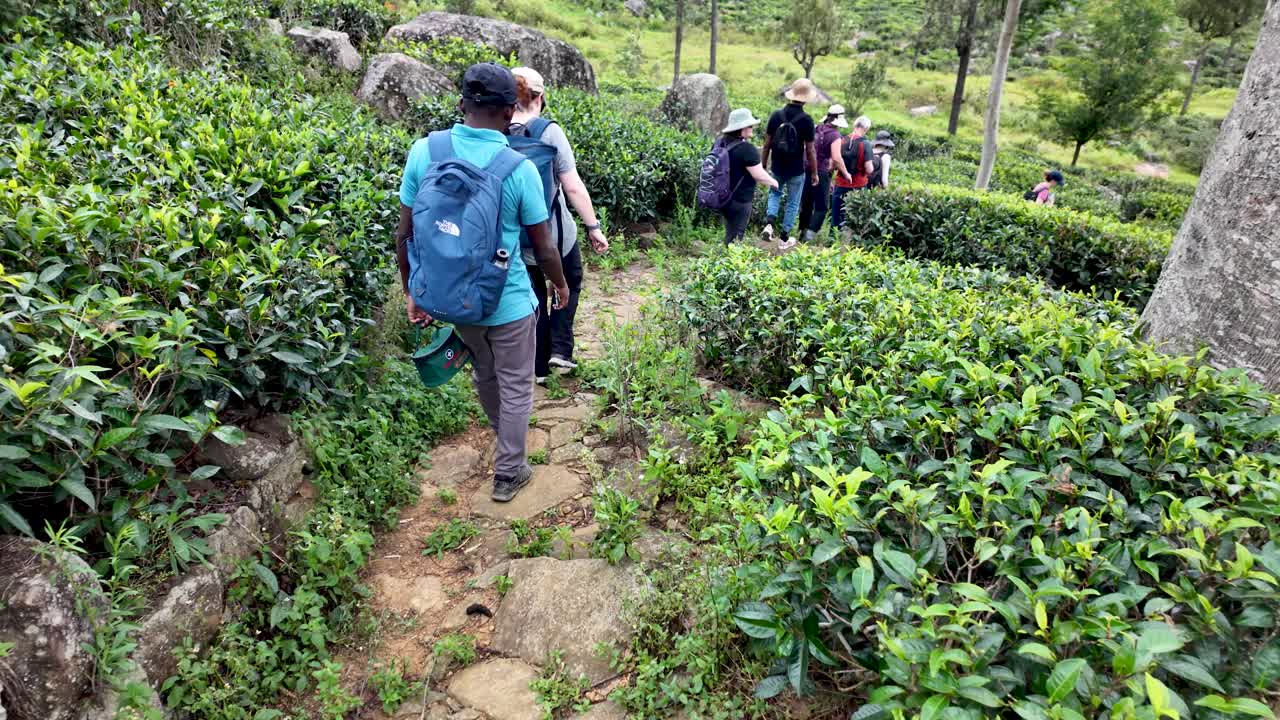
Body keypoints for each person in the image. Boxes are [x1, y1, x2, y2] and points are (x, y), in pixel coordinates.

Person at [396, 63, 570, 504]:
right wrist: (560, 285)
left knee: (485, 372)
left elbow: (405, 234)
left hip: (452, 299)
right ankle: (509, 470)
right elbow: (544, 246)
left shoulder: (424, 151)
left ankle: (503, 435)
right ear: (511, 111)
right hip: (506, 300)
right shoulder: (518, 168)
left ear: (461, 104)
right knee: (516, 382)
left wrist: (412, 292)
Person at [509, 66, 609, 382]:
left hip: (514, 238)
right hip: (554, 234)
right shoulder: (549, 131)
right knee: (571, 281)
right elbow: (573, 186)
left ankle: (537, 367)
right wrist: (593, 227)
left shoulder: (496, 131)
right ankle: (561, 351)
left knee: (534, 298)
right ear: (540, 97)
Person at [761, 78, 819, 250]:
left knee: (775, 194)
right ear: (806, 99)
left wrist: (763, 165)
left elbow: (767, 144)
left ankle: (769, 224)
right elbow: (810, 150)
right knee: (793, 202)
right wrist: (814, 172)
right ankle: (784, 238)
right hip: (796, 169)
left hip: (777, 166)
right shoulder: (807, 120)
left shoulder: (776, 115)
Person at [715, 108, 779, 243]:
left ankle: (724, 252)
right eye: (750, 125)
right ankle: (728, 255)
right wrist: (774, 182)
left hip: (722, 197)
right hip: (740, 200)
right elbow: (758, 175)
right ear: (742, 127)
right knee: (736, 237)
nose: (752, 128)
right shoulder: (747, 149)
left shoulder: (720, 142)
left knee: (730, 231)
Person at [797, 104, 847, 242]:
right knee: (822, 207)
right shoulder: (835, 135)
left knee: (806, 203)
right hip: (822, 172)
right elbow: (836, 158)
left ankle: (802, 233)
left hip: (807, 169)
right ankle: (809, 236)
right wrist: (846, 173)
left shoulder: (816, 129)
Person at [830, 115, 875, 232]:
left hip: (840, 184)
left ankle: (832, 239)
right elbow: (869, 169)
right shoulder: (866, 144)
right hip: (858, 186)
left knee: (836, 214)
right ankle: (849, 240)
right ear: (866, 129)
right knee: (855, 217)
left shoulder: (841, 140)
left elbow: (833, 164)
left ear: (854, 125)